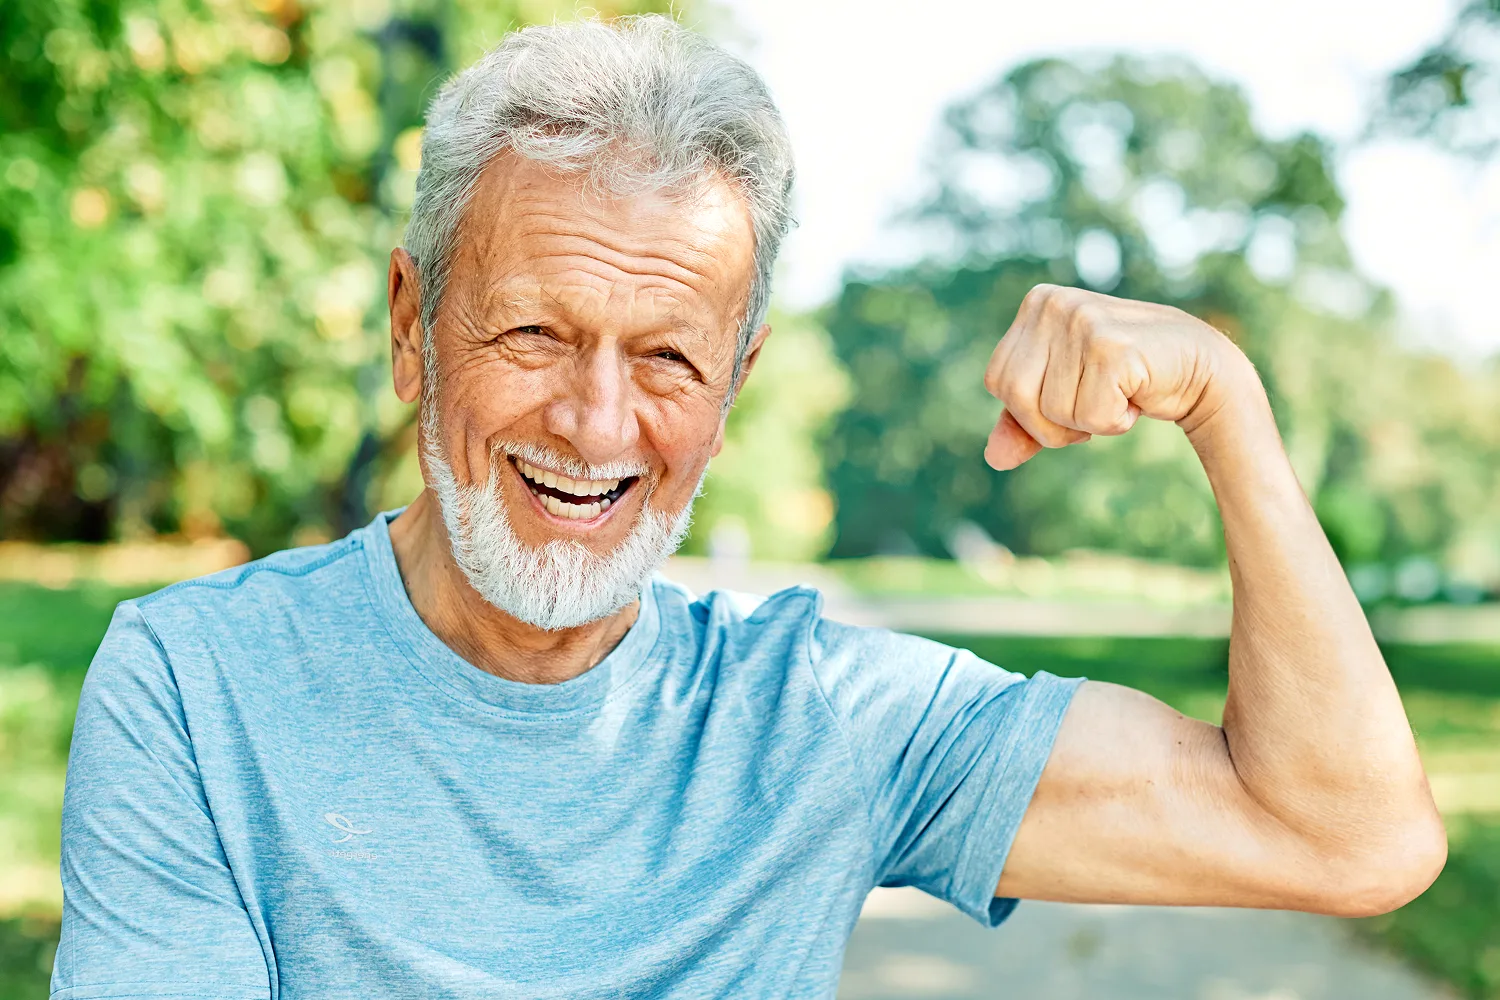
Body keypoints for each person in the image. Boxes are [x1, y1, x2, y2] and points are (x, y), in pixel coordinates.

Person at [53, 15, 1445, 1000]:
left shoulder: (823, 717)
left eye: (666, 358)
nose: (597, 425)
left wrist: (1229, 412)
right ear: (414, 327)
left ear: (737, 383)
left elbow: (1352, 835)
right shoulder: (197, 686)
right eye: (534, 333)